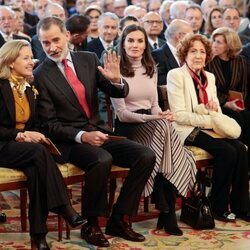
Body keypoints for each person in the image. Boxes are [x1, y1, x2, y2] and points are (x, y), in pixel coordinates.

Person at [33, 16, 155, 248]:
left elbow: (117, 92)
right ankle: (91, 224)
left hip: (97, 131)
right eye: (45, 43)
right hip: (68, 141)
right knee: (102, 159)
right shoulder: (40, 74)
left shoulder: (88, 59)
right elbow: (48, 125)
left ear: (67, 36)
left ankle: (119, 218)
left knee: (146, 155)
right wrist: (82, 137)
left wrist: (117, 79)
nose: (52, 47)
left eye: (56, 40)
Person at [111, 25, 197, 236]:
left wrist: (162, 114)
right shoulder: (116, 69)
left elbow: (155, 105)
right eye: (130, 40)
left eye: (140, 41)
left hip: (153, 125)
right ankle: (166, 210)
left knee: (164, 126)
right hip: (128, 127)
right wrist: (155, 118)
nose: (135, 45)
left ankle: (165, 206)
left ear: (145, 44)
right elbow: (122, 114)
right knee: (163, 129)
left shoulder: (151, 66)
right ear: (123, 43)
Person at [0, 40, 85, 250]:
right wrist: (20, 134)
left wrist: (36, 134)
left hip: (24, 149)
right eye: (26, 58)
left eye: (31, 57)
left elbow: (35, 123)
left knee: (36, 171)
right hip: (2, 145)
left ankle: (38, 236)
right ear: (11, 62)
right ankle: (64, 207)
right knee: (38, 154)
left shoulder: (30, 87)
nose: (32, 62)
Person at [167, 33, 250, 223]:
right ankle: (217, 206)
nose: (198, 56)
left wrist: (212, 113)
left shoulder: (209, 77)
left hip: (208, 125)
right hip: (185, 129)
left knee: (241, 149)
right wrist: (208, 117)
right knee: (227, 151)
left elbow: (217, 110)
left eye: (202, 52)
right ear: (184, 54)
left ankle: (241, 207)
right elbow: (179, 115)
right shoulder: (176, 75)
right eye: (193, 51)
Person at [206, 27, 250, 148]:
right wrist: (226, 103)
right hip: (216, 104)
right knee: (237, 118)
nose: (214, 45)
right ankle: (240, 150)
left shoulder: (240, 61)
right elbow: (208, 90)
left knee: (246, 116)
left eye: (219, 42)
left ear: (229, 45)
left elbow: (244, 87)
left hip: (236, 103)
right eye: (213, 40)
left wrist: (239, 102)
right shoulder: (208, 61)